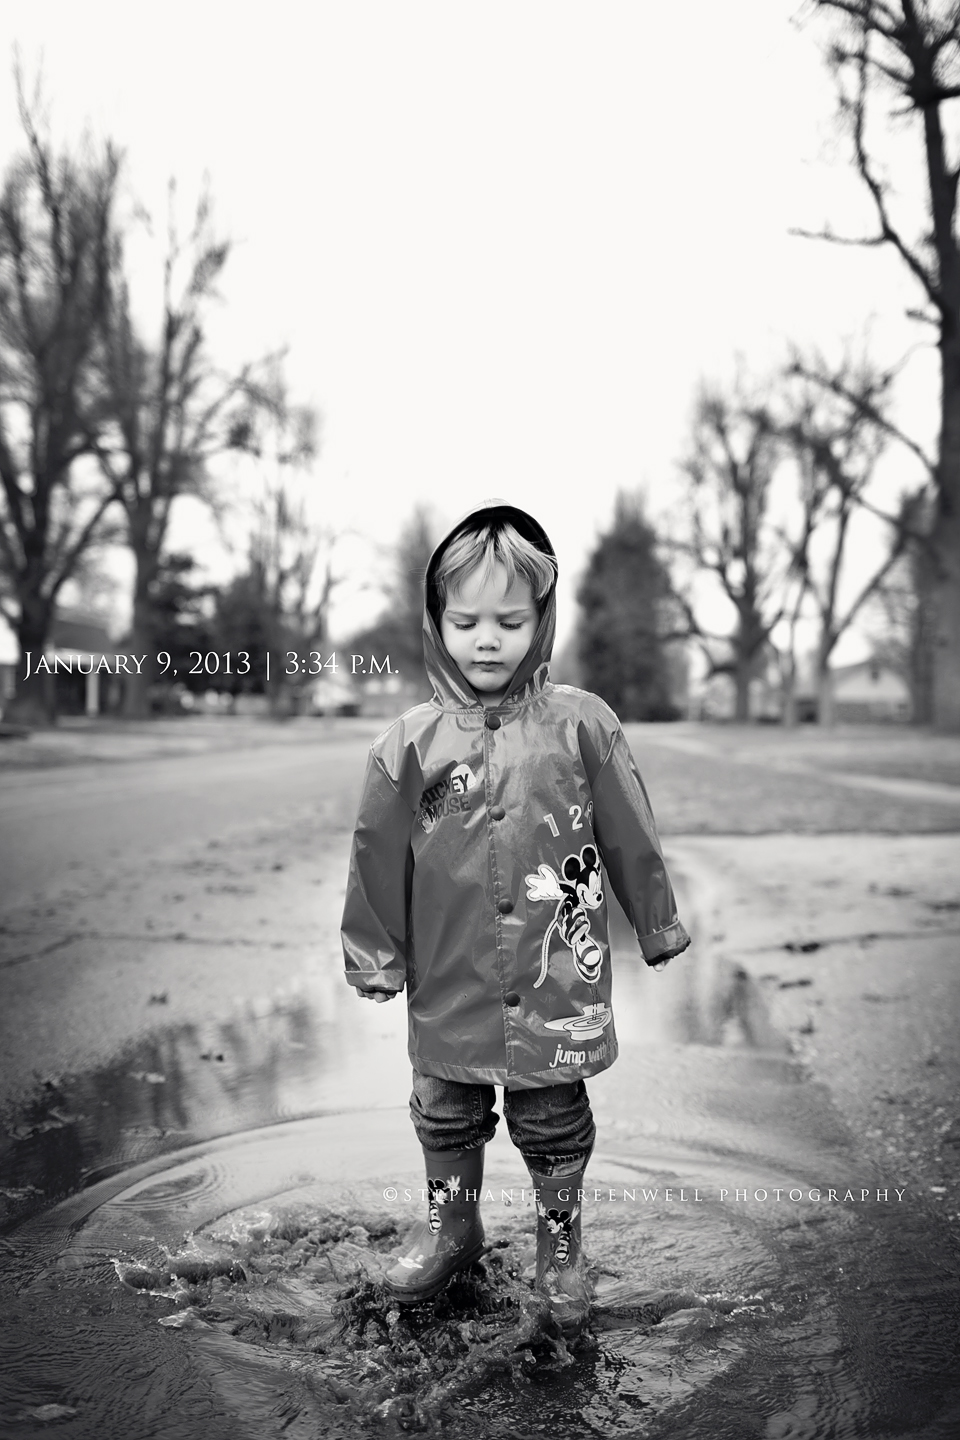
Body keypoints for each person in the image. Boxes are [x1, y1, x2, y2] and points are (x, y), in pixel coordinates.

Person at [341, 501, 689, 1332]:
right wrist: (375, 956)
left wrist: (656, 920)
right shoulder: (410, 744)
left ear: (543, 619)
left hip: (554, 975)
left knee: (552, 1114)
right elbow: (375, 856)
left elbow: (629, 828)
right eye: (465, 621)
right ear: (437, 623)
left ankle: (559, 1247)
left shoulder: (581, 725)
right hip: (451, 976)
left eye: (510, 619)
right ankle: (450, 1230)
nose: (487, 639)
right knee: (444, 1107)